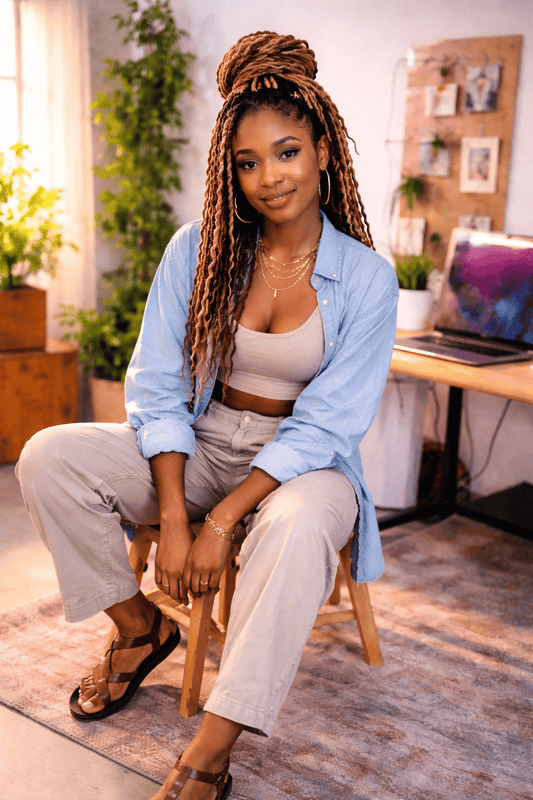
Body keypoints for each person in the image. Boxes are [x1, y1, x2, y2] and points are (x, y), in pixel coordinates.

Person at [16, 31, 398, 800]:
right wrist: (176, 515)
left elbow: (326, 425)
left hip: (302, 465)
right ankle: (140, 629)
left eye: (286, 153)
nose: (268, 179)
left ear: (323, 150)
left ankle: (213, 748)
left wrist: (219, 522)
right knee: (48, 454)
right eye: (247, 163)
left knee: (291, 528)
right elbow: (157, 387)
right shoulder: (200, 249)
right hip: (199, 438)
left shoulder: (366, 279)